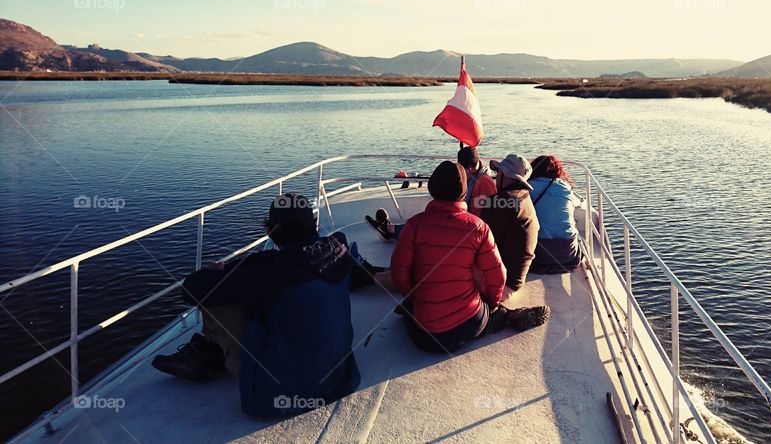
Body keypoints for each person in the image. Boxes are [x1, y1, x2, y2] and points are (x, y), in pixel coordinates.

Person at [151, 192, 368, 417]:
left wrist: (216, 272)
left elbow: (191, 290)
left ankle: (208, 354)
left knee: (218, 298)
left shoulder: (270, 276)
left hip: (278, 392)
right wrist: (240, 267)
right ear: (314, 226)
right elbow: (285, 260)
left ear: (270, 233)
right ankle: (211, 351)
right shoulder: (337, 249)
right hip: (341, 377)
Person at [390, 160, 549, 353]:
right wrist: (491, 305)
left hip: (423, 337)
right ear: (464, 192)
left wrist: (414, 298)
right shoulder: (480, 226)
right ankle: (498, 318)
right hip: (469, 325)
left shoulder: (413, 226)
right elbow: (498, 275)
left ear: (432, 188)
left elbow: (399, 273)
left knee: (406, 309)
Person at [365, 147, 494, 240]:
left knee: (426, 226)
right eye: (465, 167)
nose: (468, 169)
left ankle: (389, 229)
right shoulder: (475, 177)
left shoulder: (484, 182)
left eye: (470, 166)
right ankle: (391, 228)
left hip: (467, 225)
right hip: (462, 218)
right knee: (428, 220)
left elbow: (486, 213)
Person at [480, 154, 540, 302]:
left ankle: (494, 314)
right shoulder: (523, 197)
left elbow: (478, 242)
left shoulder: (503, 201)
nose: (496, 176)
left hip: (502, 284)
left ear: (507, 176)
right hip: (516, 279)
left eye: (498, 172)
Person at [528, 155, 587, 274]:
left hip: (539, 253)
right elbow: (576, 203)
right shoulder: (565, 187)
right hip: (568, 253)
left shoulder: (528, 187)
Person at [458, 146, 497, 215]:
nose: (470, 168)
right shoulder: (461, 177)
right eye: (465, 166)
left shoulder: (484, 180)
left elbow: (489, 210)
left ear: (478, 161)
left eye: (473, 165)